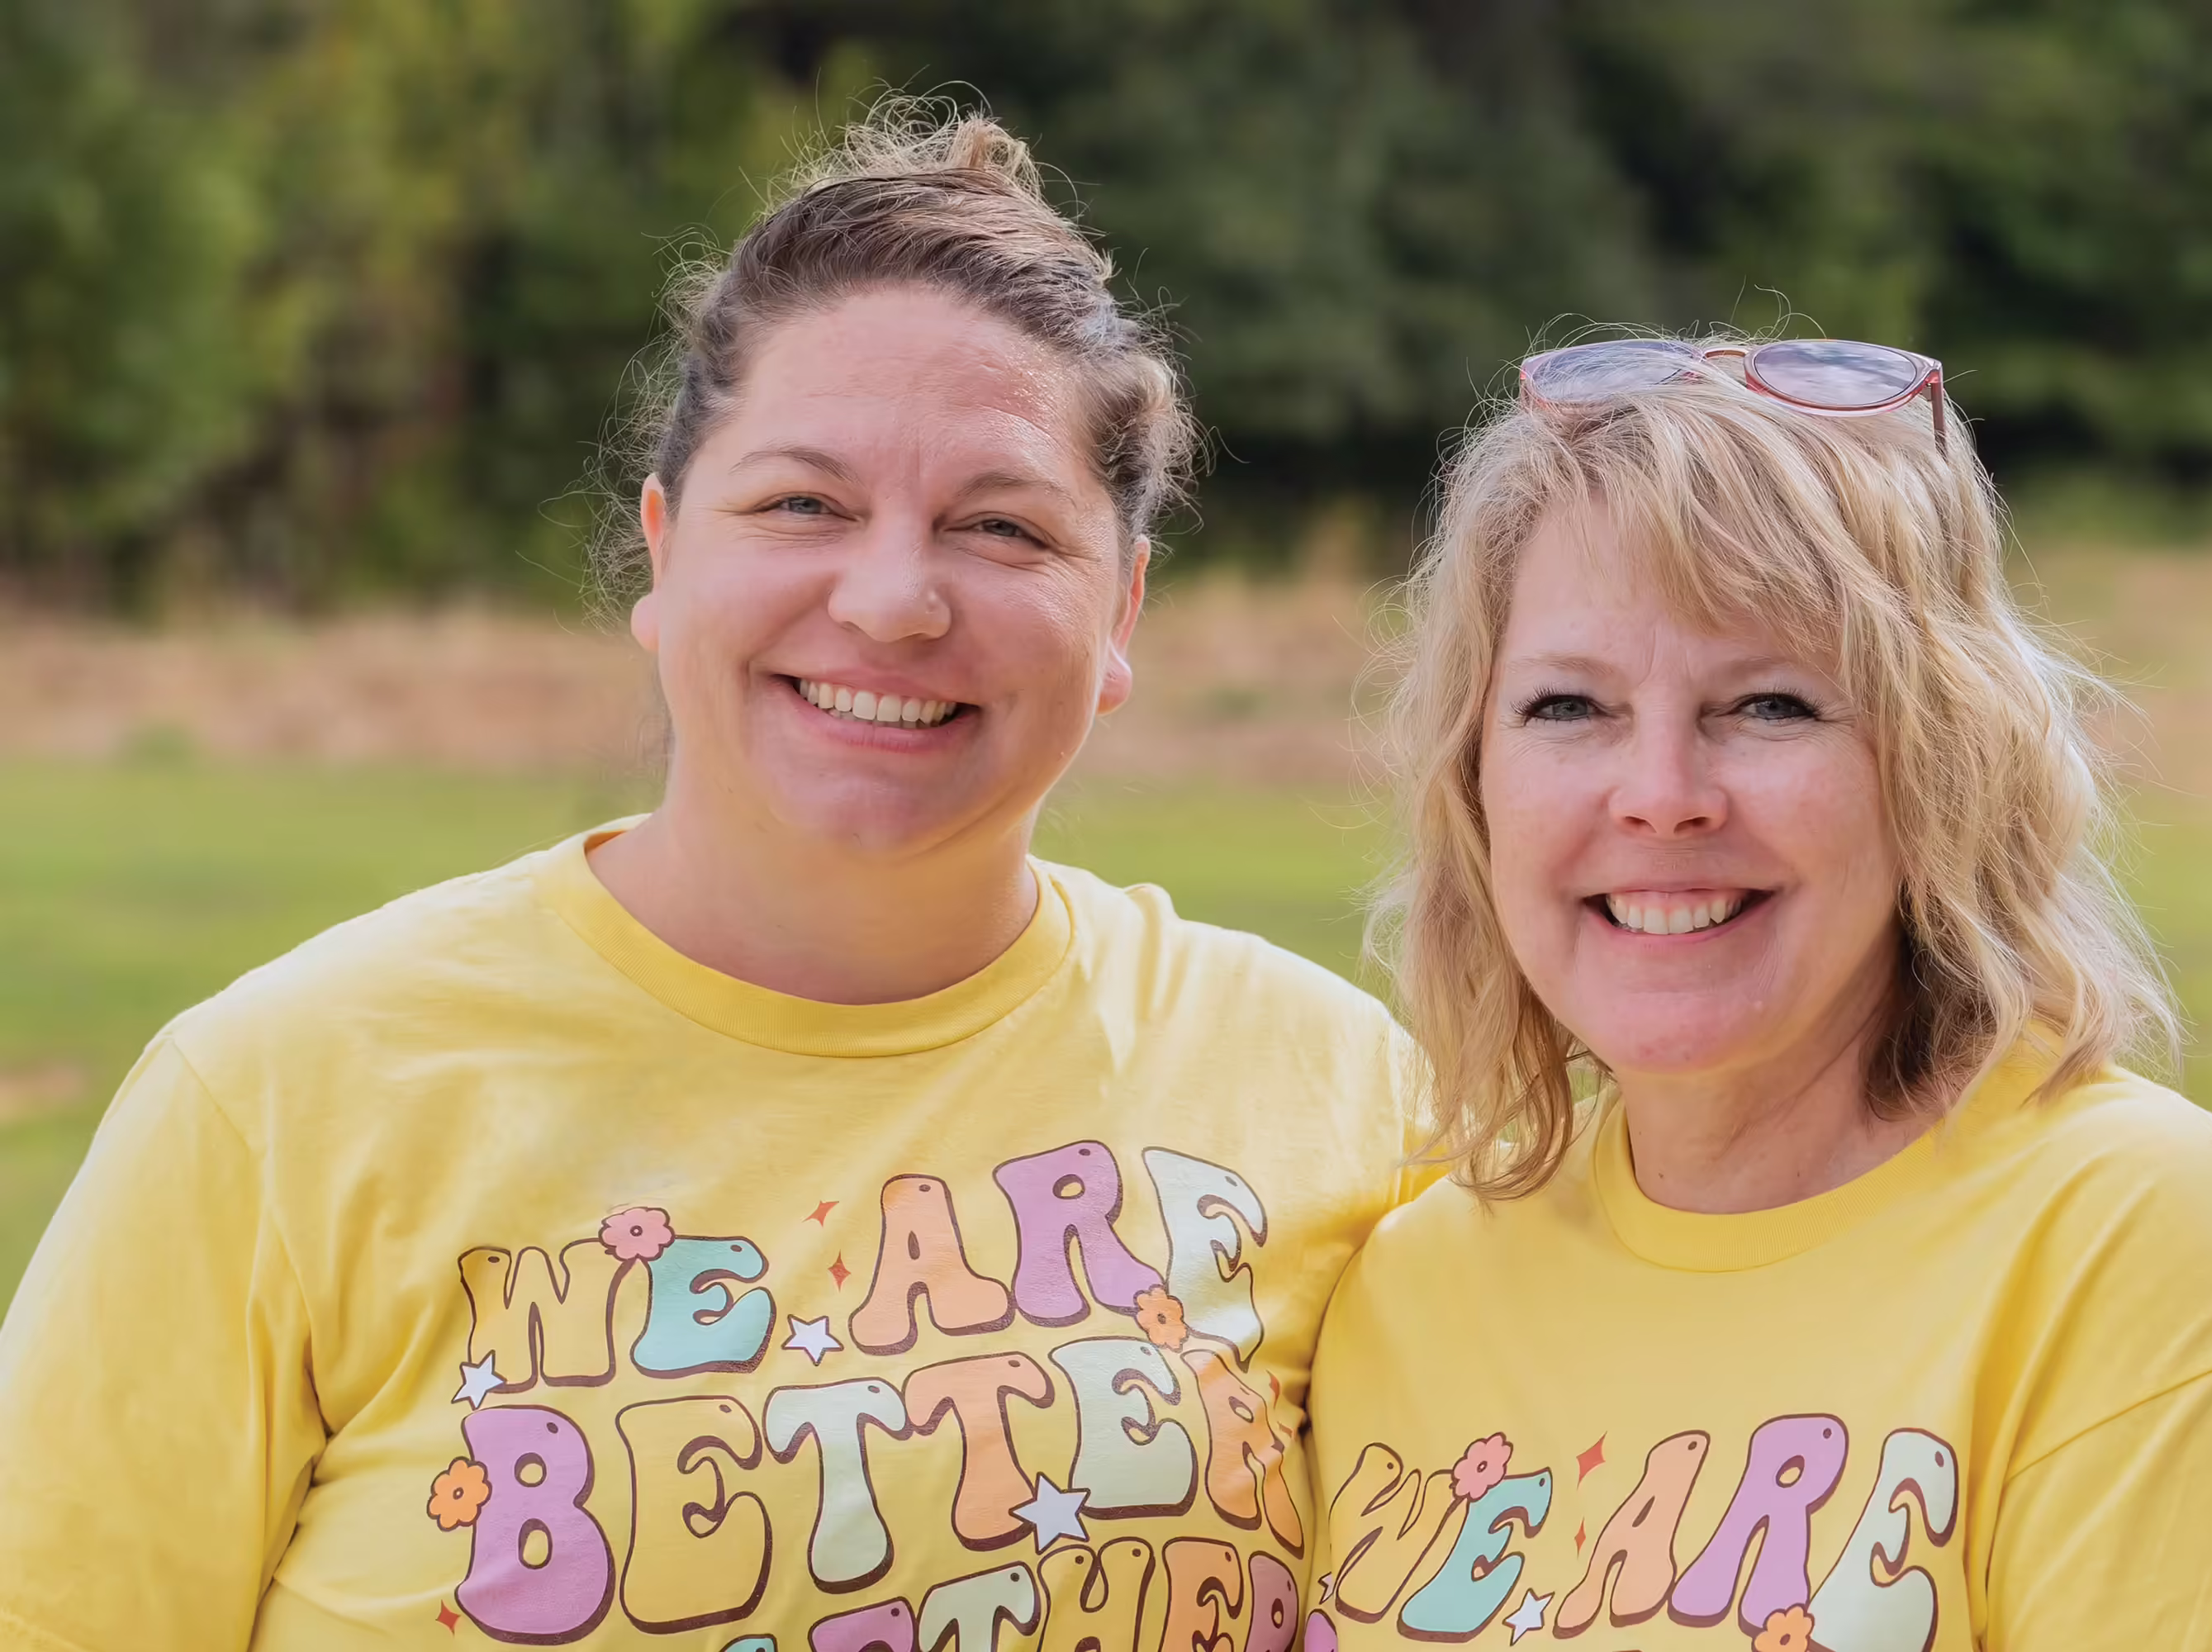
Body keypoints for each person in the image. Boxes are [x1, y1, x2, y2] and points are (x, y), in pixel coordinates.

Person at [0, 107, 1416, 1649]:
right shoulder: (281, 1099)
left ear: (1123, 605)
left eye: (1000, 527)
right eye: (802, 505)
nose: (888, 601)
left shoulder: (1334, 1091)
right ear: (664, 556)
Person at [1305, 335, 2212, 1650]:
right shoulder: (1408, 1289)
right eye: (1569, 708)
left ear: (1940, 765)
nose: (1662, 794)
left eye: (1772, 705)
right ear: (1473, 780)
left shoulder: (2146, 1257)